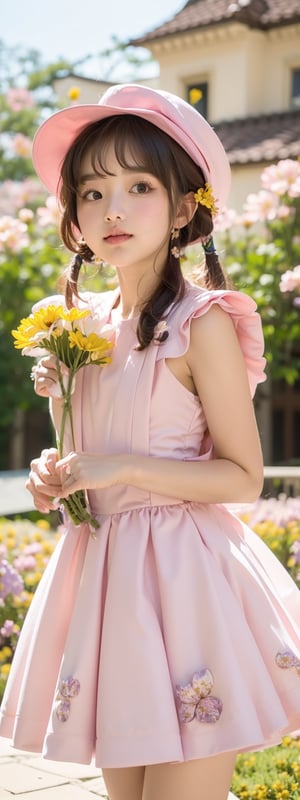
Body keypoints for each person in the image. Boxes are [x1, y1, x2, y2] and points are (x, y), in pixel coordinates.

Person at [0, 84, 299, 800]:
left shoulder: (204, 323)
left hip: (186, 587)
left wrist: (123, 465)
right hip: (110, 591)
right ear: (73, 219)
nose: (113, 209)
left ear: (183, 208)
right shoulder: (73, 330)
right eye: (93, 192)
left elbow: (242, 478)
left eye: (138, 186)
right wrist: (56, 474)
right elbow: (86, 460)